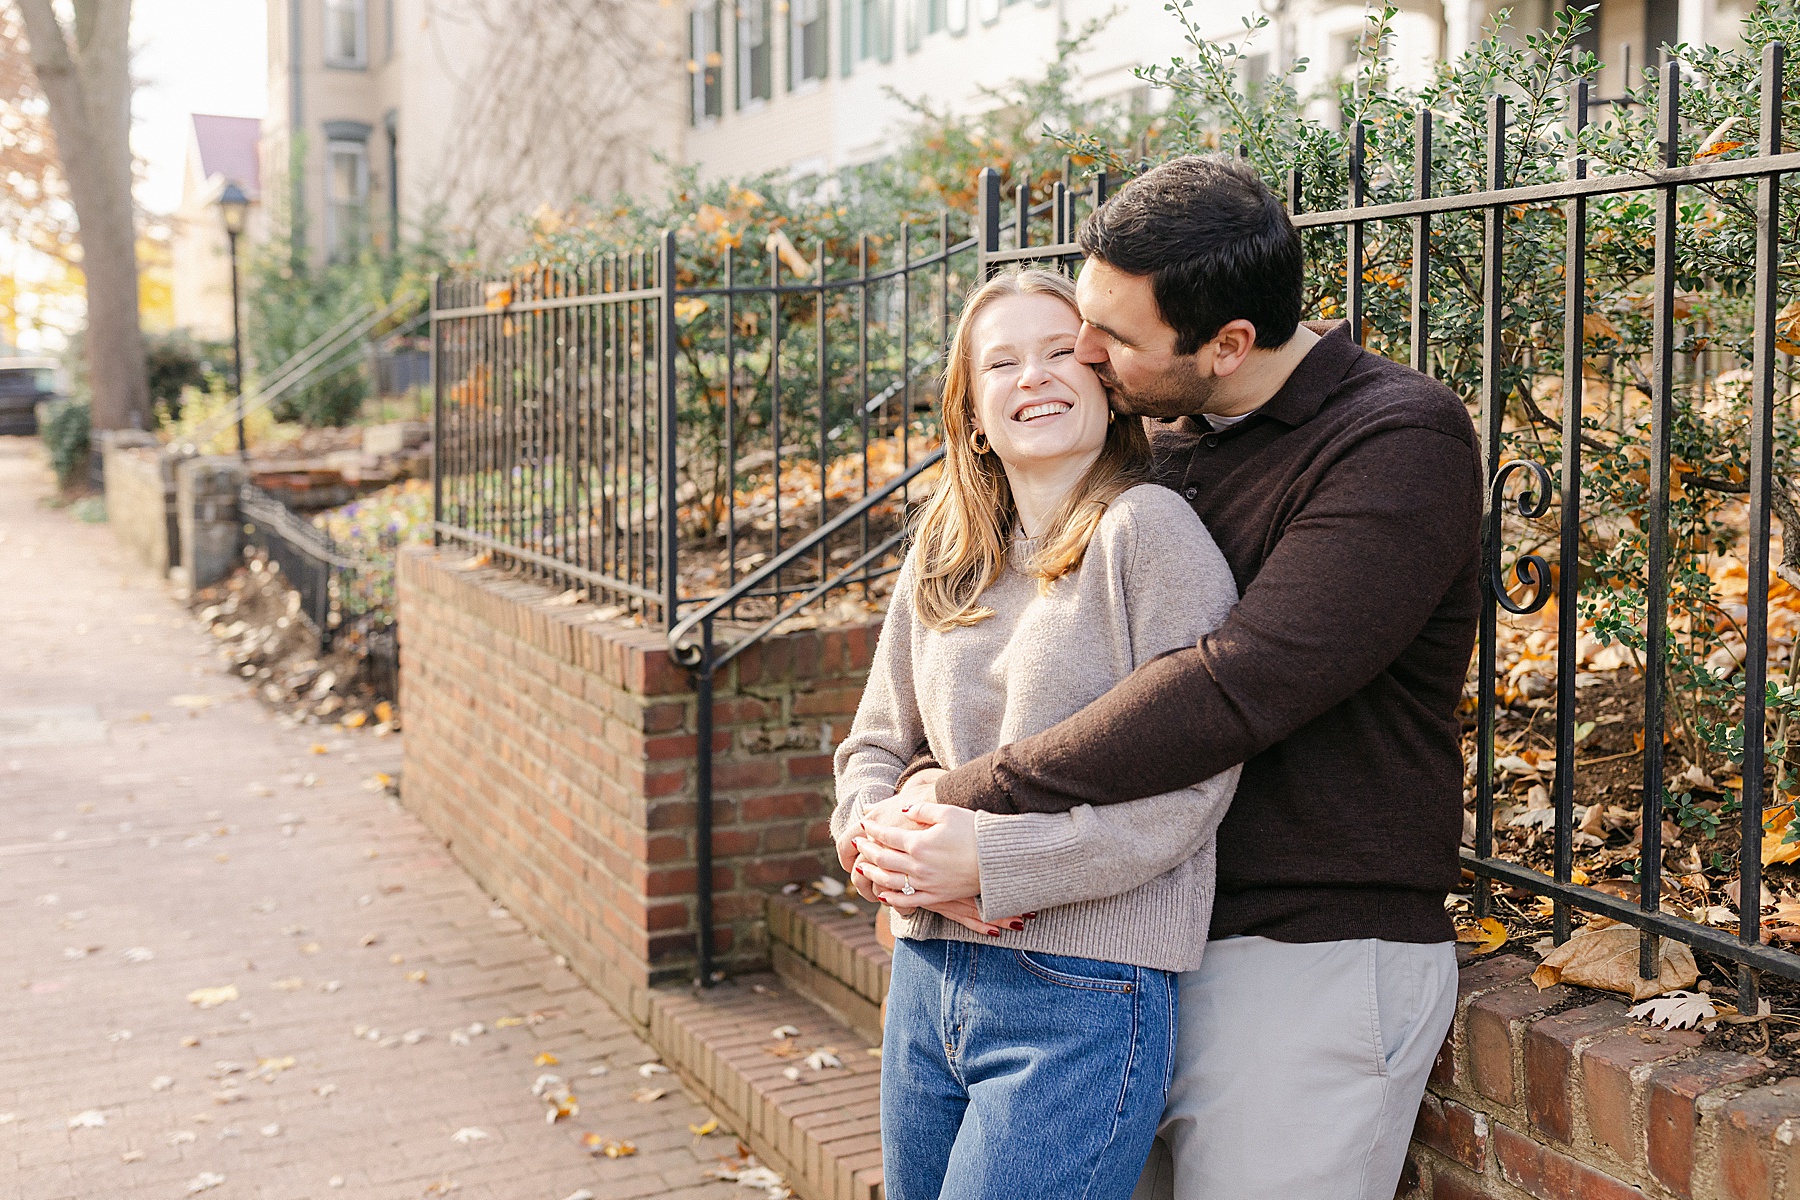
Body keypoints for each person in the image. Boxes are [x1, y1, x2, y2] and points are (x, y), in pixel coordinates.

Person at [846, 155, 1484, 1200]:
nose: (1084, 354)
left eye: (1108, 338)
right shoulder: (1166, 432)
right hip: (1115, 940)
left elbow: (1235, 686)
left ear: (1228, 346)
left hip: (1300, 950)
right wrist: (907, 839)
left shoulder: (1393, 441)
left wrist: (961, 807)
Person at [831, 266, 1241, 1200]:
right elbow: (874, 745)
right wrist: (873, 843)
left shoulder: (1150, 531)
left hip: (1084, 986)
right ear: (973, 412)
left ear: (1107, 383)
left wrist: (994, 863)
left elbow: (1193, 789)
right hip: (928, 976)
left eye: (1063, 352)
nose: (1036, 378)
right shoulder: (947, 545)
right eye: (1003, 363)